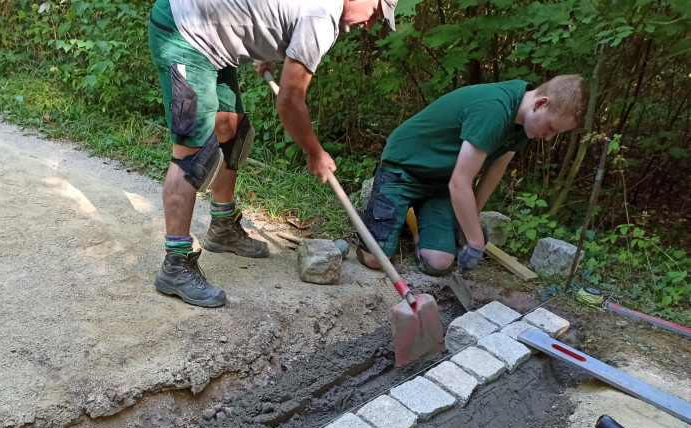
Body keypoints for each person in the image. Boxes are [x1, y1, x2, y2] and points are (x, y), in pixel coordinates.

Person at [148, 0, 398, 307]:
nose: (371, 25)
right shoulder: (322, 16)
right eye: (375, 14)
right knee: (192, 153)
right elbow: (290, 101)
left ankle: (222, 227)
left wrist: (268, 54)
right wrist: (314, 152)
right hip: (185, 30)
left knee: (233, 130)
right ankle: (176, 263)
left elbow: (270, 15)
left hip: (213, 35)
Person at [359, 75, 590, 276]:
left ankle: (413, 220)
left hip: (440, 184)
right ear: (540, 103)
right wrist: (476, 242)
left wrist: (469, 225)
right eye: (551, 128)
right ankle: (402, 210)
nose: (548, 137)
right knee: (375, 260)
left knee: (438, 264)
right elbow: (460, 183)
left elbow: (495, 170)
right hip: (405, 169)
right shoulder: (494, 109)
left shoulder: (525, 124)